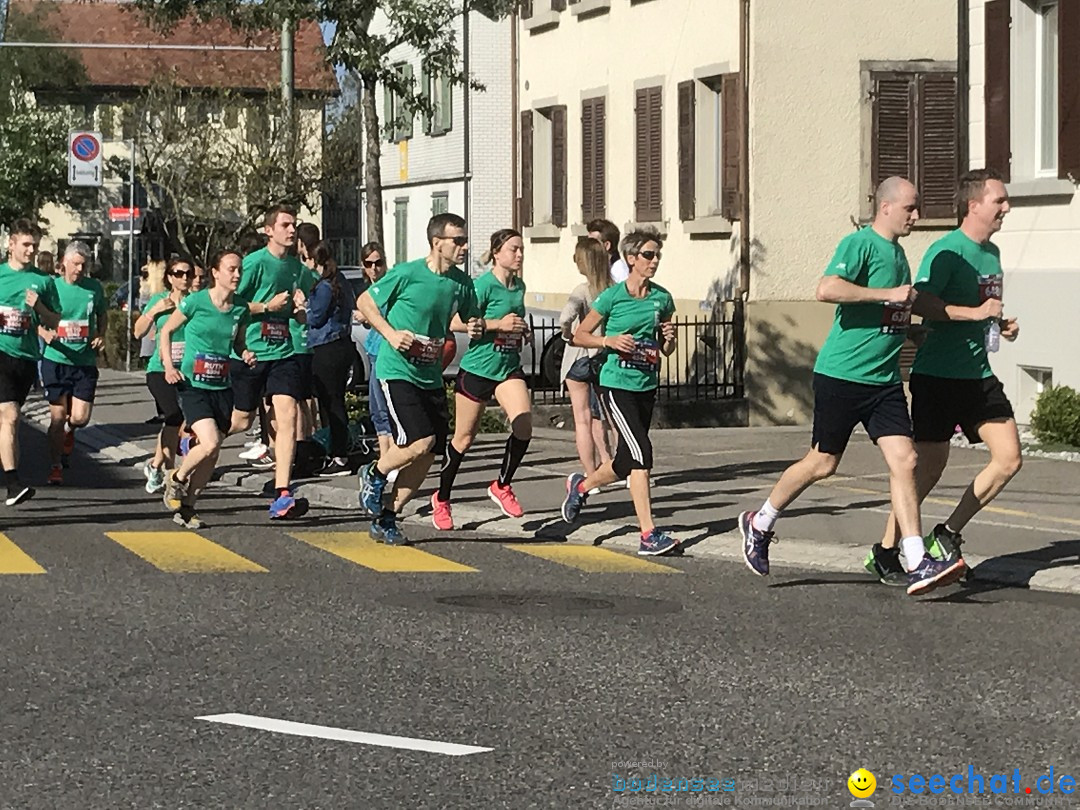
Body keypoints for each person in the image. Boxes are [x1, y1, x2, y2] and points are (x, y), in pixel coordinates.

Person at [736, 177, 965, 595]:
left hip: (883, 381)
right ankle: (761, 520)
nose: (916, 216)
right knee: (823, 463)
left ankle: (916, 558)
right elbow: (827, 289)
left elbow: (885, 310)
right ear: (886, 207)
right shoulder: (859, 244)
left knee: (906, 461)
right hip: (842, 376)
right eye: (910, 208)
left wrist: (907, 330)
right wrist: (886, 294)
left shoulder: (897, 254)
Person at [869, 169, 1020, 578]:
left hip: (977, 374)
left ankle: (948, 532)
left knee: (1009, 459)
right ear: (974, 206)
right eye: (999, 201)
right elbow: (920, 302)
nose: (1006, 208)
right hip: (937, 374)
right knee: (927, 470)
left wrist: (999, 325)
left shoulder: (993, 254)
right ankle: (885, 550)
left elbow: (985, 309)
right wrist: (974, 313)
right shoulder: (946, 250)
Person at [356, 213, 483, 545]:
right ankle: (374, 473)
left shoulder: (461, 282)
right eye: (458, 240)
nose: (464, 247)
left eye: (465, 240)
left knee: (427, 454)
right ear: (437, 242)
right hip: (397, 370)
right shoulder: (407, 273)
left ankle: (387, 517)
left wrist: (476, 327)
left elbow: (471, 316)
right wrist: (389, 333)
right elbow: (365, 301)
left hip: (430, 375)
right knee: (420, 441)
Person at [559, 228, 681, 556]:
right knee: (642, 455)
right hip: (616, 385)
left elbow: (667, 349)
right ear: (631, 259)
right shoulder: (612, 297)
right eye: (648, 255)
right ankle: (648, 534)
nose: (654, 261)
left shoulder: (662, 297)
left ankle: (581, 486)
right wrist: (608, 341)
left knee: (626, 461)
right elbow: (578, 335)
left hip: (646, 385)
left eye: (657, 255)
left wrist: (668, 337)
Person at [432, 229, 532, 528]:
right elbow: (456, 321)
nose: (519, 255)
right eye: (514, 249)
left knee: (524, 426)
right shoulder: (482, 286)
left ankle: (501, 485)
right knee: (464, 438)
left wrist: (520, 329)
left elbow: (512, 321)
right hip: (478, 369)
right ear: (497, 252)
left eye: (521, 249)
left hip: (508, 367)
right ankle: (442, 498)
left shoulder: (519, 286)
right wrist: (495, 324)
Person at [159, 249, 256, 528]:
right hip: (193, 386)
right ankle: (176, 478)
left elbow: (237, 343)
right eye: (231, 269)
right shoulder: (196, 302)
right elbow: (166, 331)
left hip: (221, 387)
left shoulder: (240, 308)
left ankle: (188, 507)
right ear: (215, 273)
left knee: (212, 452)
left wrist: (245, 353)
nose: (237, 274)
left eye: (239, 269)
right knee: (211, 442)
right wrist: (169, 366)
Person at [228, 205, 308, 519]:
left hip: (283, 353)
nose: (291, 230)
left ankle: (282, 492)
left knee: (286, 416)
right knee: (241, 422)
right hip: (250, 352)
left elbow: (294, 306)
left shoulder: (295, 266)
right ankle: (198, 438)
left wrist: (297, 311)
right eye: (285, 225)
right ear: (269, 230)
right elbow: (232, 303)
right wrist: (266, 306)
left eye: (294, 225)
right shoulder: (254, 263)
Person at [0, 219, 61, 505]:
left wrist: (38, 307)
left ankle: (12, 477)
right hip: (1, 352)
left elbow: (55, 320)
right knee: (9, 415)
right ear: (11, 244)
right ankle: (13, 483)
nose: (30, 250)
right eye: (25, 244)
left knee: (9, 421)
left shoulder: (44, 281)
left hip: (25, 357)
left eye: (34, 246)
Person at [40, 242, 106, 484]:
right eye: (75, 263)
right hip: (56, 359)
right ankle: (55, 465)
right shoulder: (51, 287)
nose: (79, 269)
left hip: (84, 362)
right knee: (57, 417)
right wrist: (43, 332)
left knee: (80, 418)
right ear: (64, 263)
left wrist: (101, 335)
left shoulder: (93, 288)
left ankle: (69, 431)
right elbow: (35, 316)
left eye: (83, 264)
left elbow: (102, 314)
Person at [134, 256, 194, 493]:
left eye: (188, 273)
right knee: (174, 415)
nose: (185, 278)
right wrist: (154, 311)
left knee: (178, 421)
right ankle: (169, 473)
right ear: (170, 277)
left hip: (187, 371)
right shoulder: (160, 301)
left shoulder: (196, 302)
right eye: (179, 273)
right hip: (160, 370)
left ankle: (156, 465)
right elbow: (138, 332)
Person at [559, 237, 613, 484]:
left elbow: (565, 317)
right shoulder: (614, 289)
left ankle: (590, 476)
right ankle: (611, 466)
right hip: (604, 357)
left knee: (581, 419)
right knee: (607, 417)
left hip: (579, 358)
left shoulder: (582, 290)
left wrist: (568, 335)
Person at [307, 241, 354, 476]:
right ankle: (336, 450)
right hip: (342, 344)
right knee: (333, 400)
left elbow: (315, 318)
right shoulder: (342, 281)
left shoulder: (325, 287)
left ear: (316, 262)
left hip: (327, 345)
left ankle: (339, 455)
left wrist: (302, 304)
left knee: (331, 401)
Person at [358, 242, 393, 459]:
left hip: (386, 351)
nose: (374, 268)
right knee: (376, 407)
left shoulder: (390, 286)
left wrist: (367, 316)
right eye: (369, 264)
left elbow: (390, 319)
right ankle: (385, 456)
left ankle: (389, 458)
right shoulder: (368, 290)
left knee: (384, 407)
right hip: (372, 349)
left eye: (378, 263)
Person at [293, 222, 321, 440]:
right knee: (309, 397)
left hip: (297, 340)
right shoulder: (320, 270)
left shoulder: (300, 271)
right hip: (311, 341)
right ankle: (313, 436)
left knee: (301, 398)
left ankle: (305, 443)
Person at [587, 218, 629, 283]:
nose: (588, 247)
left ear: (607, 245)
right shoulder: (602, 269)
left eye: (593, 242)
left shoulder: (620, 272)